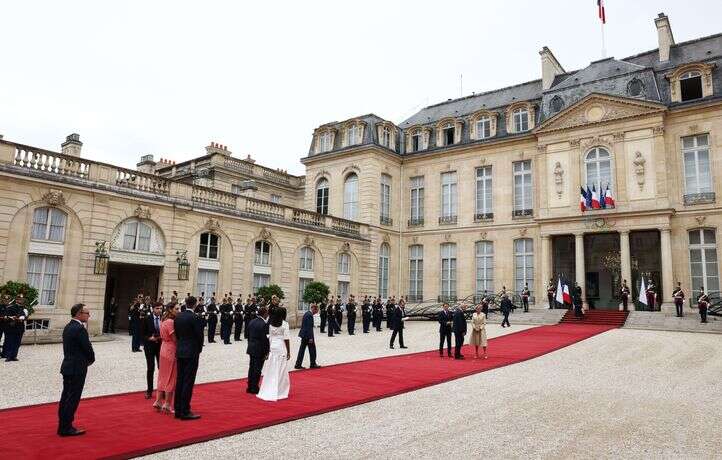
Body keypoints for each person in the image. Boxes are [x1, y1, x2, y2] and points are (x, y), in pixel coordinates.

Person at [58, 303, 95, 437]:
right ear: (79, 313)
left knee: (65, 397)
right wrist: (91, 359)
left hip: (68, 365)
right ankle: (66, 427)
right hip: (77, 367)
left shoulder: (68, 326)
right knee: (73, 398)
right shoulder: (79, 329)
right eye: (87, 313)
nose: (88, 316)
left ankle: (63, 425)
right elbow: (87, 347)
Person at [173, 296, 204, 420]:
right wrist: (199, 349)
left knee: (180, 380)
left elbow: (177, 333)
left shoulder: (178, 316)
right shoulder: (195, 317)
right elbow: (199, 335)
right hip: (191, 351)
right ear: (195, 305)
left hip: (180, 349)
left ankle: (178, 409)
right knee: (188, 381)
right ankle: (185, 410)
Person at [258, 307, 291, 401]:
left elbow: (270, 337)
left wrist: (269, 349)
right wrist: (288, 351)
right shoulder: (284, 324)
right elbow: (286, 338)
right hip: (281, 346)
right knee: (281, 369)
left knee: (272, 368)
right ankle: (280, 390)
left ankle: (269, 386)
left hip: (273, 346)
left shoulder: (271, 323)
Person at [155, 302, 179, 413]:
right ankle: (168, 403)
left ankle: (158, 401)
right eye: (176, 308)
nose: (178, 311)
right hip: (170, 348)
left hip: (163, 347)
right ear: (170, 309)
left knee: (162, 375)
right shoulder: (170, 322)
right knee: (171, 376)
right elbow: (174, 338)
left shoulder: (163, 320)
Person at [140, 302, 162, 399]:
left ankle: (162, 390)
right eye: (157, 308)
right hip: (149, 346)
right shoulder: (146, 319)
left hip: (161, 346)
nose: (159, 310)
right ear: (153, 309)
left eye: (161, 308)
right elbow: (142, 334)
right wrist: (149, 338)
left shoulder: (164, 319)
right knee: (150, 368)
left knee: (162, 369)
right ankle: (149, 390)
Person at [246, 306, 270, 394]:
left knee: (251, 368)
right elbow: (265, 340)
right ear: (264, 314)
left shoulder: (252, 321)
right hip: (259, 349)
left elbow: (247, 335)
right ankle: (254, 387)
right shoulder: (264, 324)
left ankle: (249, 386)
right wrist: (267, 351)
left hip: (251, 347)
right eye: (267, 313)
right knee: (257, 369)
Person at [295, 303, 321, 369]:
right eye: (316, 311)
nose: (316, 313)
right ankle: (313, 363)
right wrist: (311, 338)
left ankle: (298, 364)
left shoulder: (307, 313)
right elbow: (309, 327)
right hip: (307, 336)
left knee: (302, 350)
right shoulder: (309, 315)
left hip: (304, 335)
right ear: (313, 309)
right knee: (312, 349)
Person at [4, 294, 29, 362]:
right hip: (12, 327)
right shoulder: (11, 307)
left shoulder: (24, 308)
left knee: (17, 343)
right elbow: (6, 317)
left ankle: (14, 356)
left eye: (22, 299)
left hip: (20, 328)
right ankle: (8, 356)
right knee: (10, 342)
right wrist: (13, 318)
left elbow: (26, 318)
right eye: (19, 299)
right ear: (16, 300)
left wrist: (24, 317)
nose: (21, 300)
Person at [0, 293, 8, 358]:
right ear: (2, 300)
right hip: (0, 324)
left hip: (7, 325)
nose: (6, 301)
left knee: (6, 339)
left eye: (7, 300)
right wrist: (2, 317)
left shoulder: (10, 307)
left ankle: (4, 353)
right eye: (5, 300)